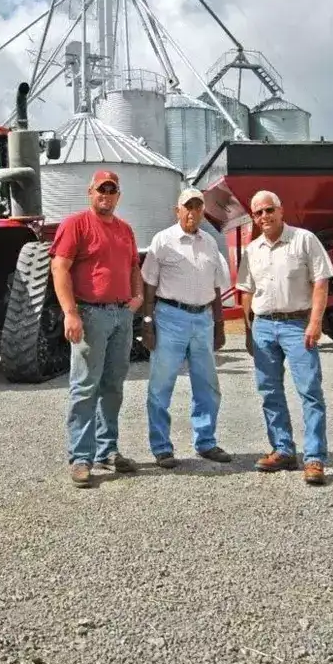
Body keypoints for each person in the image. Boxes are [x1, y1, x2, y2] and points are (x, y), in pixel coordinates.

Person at [49, 170, 143, 488]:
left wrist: (137, 298)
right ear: (90, 192)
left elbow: (133, 266)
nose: (106, 194)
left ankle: (107, 450)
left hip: (121, 315)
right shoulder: (76, 224)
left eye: (112, 189)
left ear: (119, 195)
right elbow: (59, 267)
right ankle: (81, 458)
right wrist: (70, 313)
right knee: (85, 387)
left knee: (113, 386)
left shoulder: (125, 230)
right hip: (90, 315)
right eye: (100, 189)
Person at [236, 190, 333, 486]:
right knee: (269, 391)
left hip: (297, 325)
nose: (264, 216)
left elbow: (320, 282)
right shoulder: (252, 250)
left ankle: (315, 458)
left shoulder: (304, 240)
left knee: (309, 391)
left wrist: (315, 322)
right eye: (258, 213)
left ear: (281, 211)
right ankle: (282, 450)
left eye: (269, 210)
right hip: (263, 326)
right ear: (253, 218)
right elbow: (247, 291)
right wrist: (248, 330)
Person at [140, 187, 232, 469]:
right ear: (177, 210)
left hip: (202, 319)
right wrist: (147, 323)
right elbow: (149, 285)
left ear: (203, 211)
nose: (192, 212)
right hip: (170, 318)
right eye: (187, 207)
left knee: (207, 386)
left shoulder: (210, 244)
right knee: (160, 387)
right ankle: (162, 447)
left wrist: (218, 325)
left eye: (198, 207)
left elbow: (216, 287)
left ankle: (205, 442)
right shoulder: (162, 241)